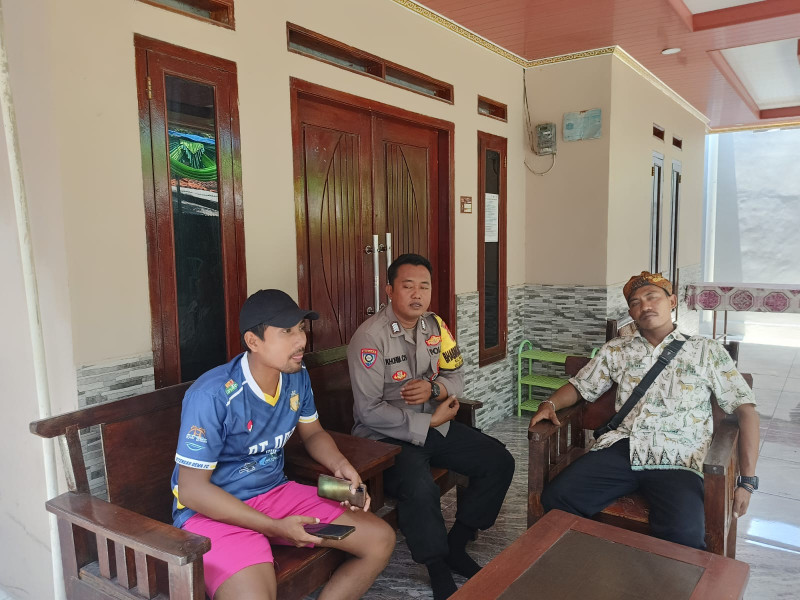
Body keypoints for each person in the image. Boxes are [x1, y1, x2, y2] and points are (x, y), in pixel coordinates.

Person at [171, 289, 395, 600]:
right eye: (287, 331)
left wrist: (341, 466)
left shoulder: (296, 376)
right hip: (212, 512)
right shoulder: (212, 395)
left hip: (274, 492)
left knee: (380, 539)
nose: (301, 339)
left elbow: (313, 433)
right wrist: (274, 526)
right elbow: (192, 490)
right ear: (253, 342)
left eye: (301, 328)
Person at [530, 271, 759, 549]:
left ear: (672, 301)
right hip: (624, 448)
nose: (645, 306)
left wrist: (747, 482)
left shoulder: (706, 350)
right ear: (631, 313)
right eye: (636, 302)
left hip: (679, 457)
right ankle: (595, 565)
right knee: (558, 498)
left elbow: (745, 410)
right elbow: (580, 386)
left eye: (652, 297)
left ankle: (653, 573)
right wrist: (549, 404)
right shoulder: (617, 349)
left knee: (684, 535)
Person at [347, 253, 515, 600]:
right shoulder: (370, 338)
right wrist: (429, 420)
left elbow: (457, 374)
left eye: (424, 286)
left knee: (498, 460)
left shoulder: (435, 327)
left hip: (434, 425)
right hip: (387, 438)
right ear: (390, 290)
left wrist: (435, 389)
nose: (417, 294)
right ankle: (437, 567)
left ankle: (457, 543)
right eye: (408, 286)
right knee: (420, 488)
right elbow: (368, 411)